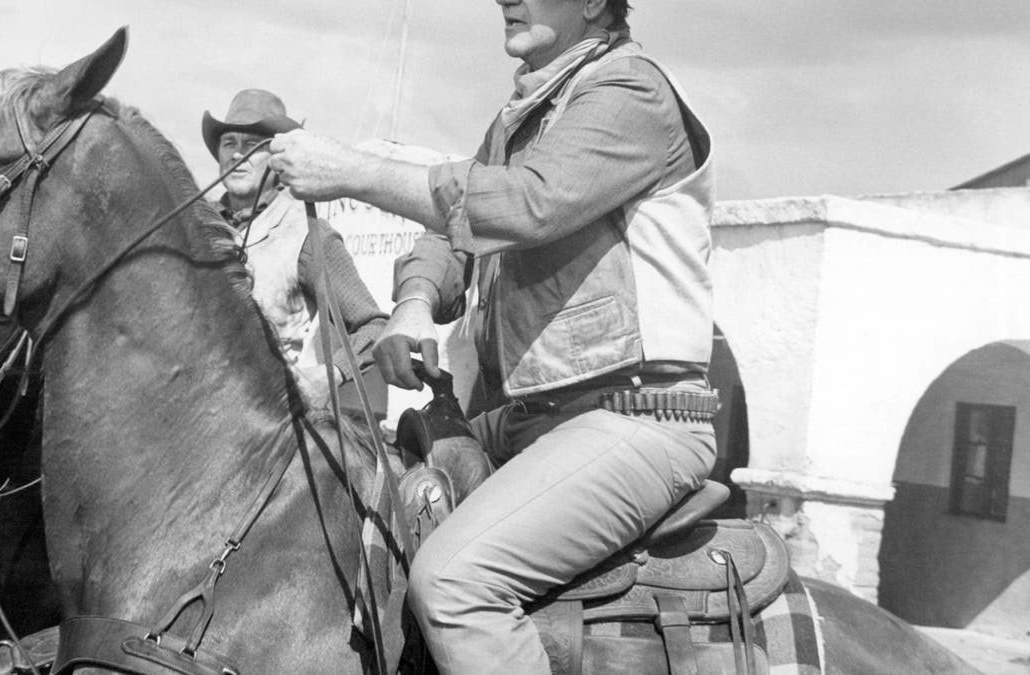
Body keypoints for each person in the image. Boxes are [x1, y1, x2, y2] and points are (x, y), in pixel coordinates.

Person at [269, 0, 718, 671]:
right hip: (535, 421)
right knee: (367, 486)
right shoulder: (529, 114)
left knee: (452, 581)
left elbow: (523, 203)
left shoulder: (631, 92)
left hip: (639, 420)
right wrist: (413, 303)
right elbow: (451, 231)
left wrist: (353, 171)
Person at [201, 89, 388, 413]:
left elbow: (375, 328)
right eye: (229, 143)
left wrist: (329, 376)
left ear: (278, 156)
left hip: (267, 422)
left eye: (252, 146)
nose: (236, 155)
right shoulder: (194, 224)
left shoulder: (306, 233)